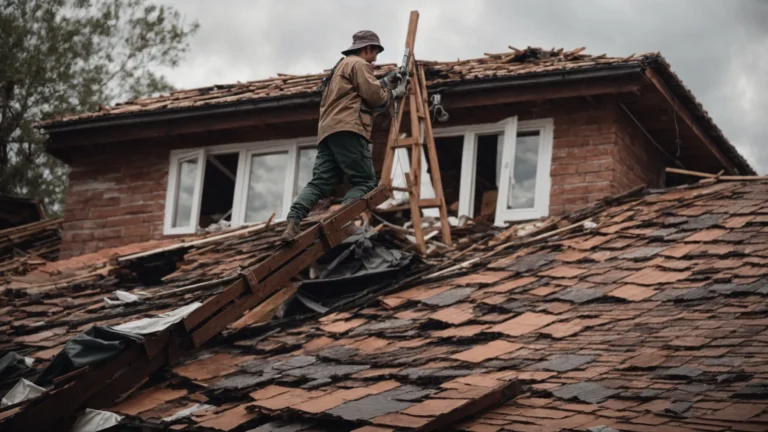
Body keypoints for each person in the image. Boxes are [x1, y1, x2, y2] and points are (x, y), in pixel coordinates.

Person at [280, 30, 408, 242]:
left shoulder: (339, 67)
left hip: (328, 132)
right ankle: (340, 222)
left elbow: (357, 94)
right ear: (366, 49)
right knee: (366, 182)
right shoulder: (359, 64)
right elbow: (375, 98)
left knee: (320, 182)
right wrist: (394, 92)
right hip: (350, 128)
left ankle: (293, 222)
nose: (375, 59)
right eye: (374, 53)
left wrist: (385, 81)